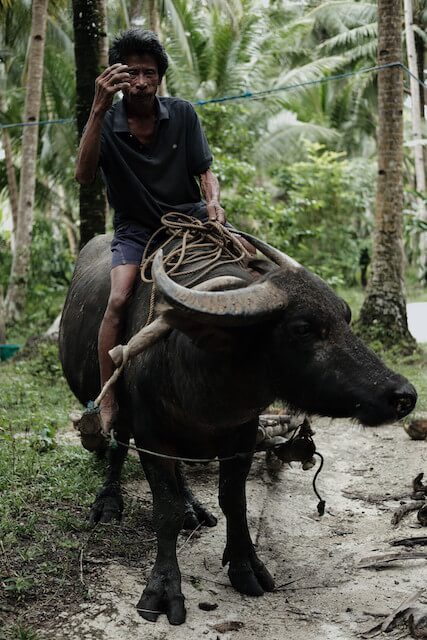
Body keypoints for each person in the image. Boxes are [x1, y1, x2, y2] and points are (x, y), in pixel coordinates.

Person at [75, 29, 228, 434]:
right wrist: (96, 108)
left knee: (250, 269)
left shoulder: (182, 114)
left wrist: (213, 202)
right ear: (117, 77)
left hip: (189, 219)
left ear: (160, 76)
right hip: (136, 228)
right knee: (120, 298)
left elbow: (205, 171)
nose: (141, 82)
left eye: (149, 73)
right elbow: (83, 175)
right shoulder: (105, 122)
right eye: (132, 74)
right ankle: (108, 396)